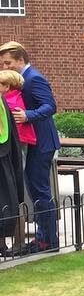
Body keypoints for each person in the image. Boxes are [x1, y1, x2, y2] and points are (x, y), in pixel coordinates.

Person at [0, 42, 59, 250]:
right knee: (35, 191)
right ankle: (44, 237)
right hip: (33, 143)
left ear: (21, 59)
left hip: (42, 143)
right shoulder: (21, 79)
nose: (5, 67)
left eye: (8, 63)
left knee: (40, 191)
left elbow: (50, 106)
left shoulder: (34, 78)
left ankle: (48, 240)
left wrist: (28, 115)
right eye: (3, 64)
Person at [0, 92, 25, 255]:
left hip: (3, 156)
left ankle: (18, 243)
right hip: (6, 155)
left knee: (7, 202)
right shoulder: (2, 99)